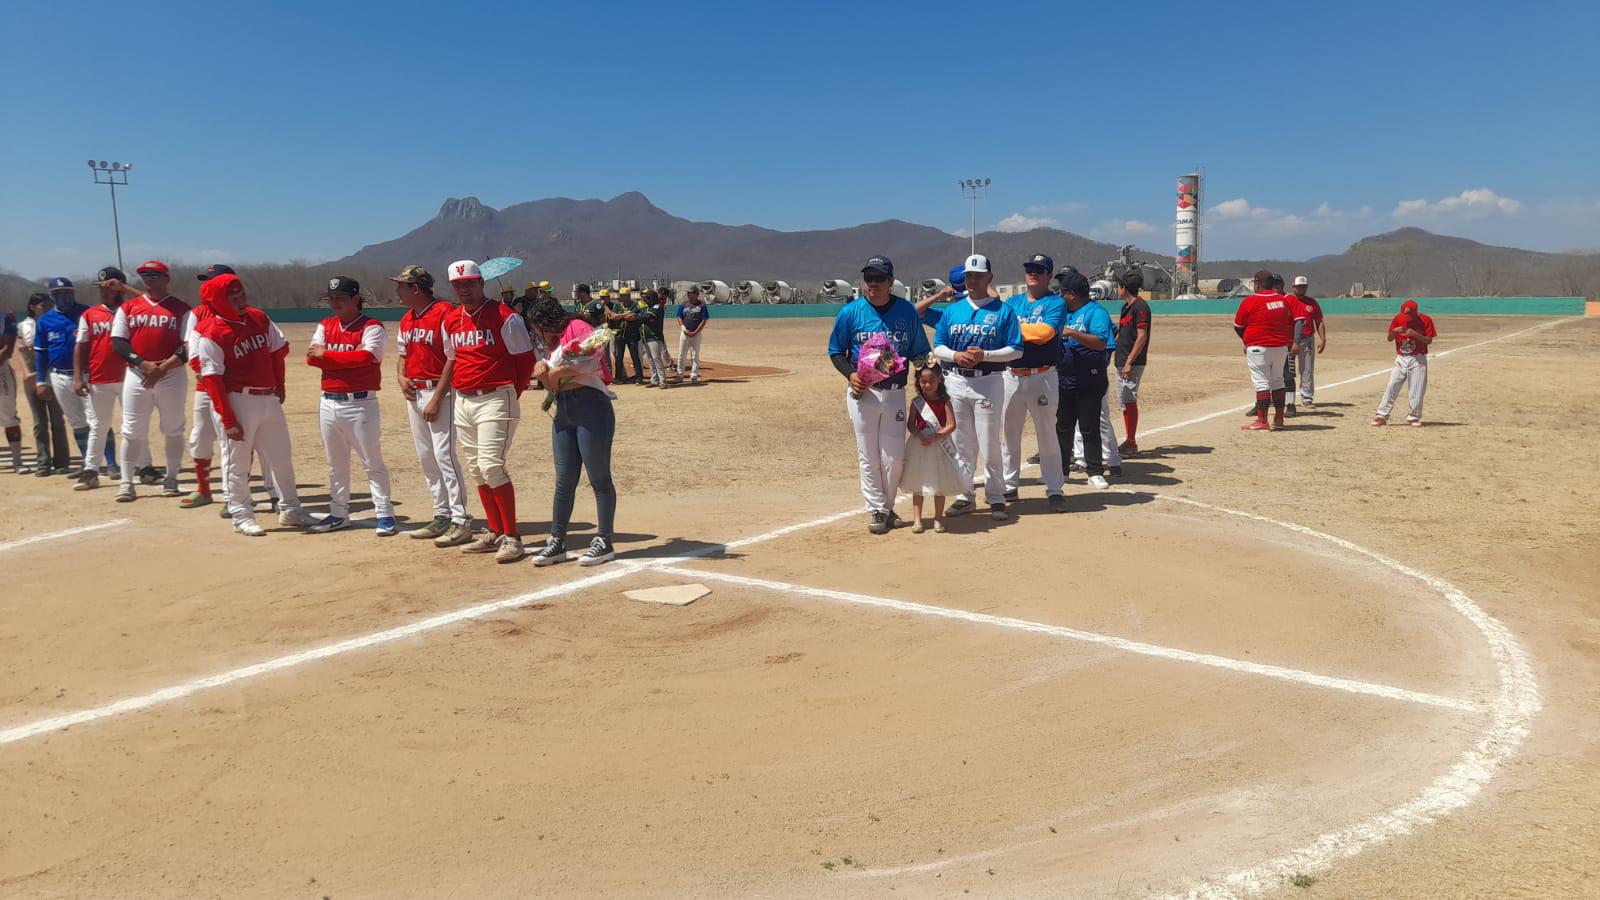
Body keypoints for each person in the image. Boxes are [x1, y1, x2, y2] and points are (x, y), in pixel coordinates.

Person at [191, 273, 312, 536]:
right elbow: (211, 379)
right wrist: (228, 419)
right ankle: (241, 514)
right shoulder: (212, 332)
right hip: (237, 398)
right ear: (219, 301)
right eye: (233, 297)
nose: (240, 300)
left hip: (268, 398)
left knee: (281, 458)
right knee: (238, 463)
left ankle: (290, 508)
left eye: (242, 295)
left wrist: (280, 385)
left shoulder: (258, 317)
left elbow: (276, 353)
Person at [827, 255, 931, 534]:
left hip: (895, 393)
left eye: (879, 279)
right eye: (868, 278)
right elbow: (836, 351)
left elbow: (920, 351)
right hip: (864, 394)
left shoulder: (907, 311)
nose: (873, 284)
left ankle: (886, 506)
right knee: (868, 456)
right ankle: (878, 510)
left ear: (890, 281)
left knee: (893, 458)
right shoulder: (850, 313)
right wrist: (851, 375)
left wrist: (931, 375)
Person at [441, 259, 536, 563]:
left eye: (469, 283)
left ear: (481, 283)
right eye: (458, 285)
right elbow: (452, 358)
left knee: (491, 465)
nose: (464, 289)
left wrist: (512, 393)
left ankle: (513, 537)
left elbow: (525, 361)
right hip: (463, 400)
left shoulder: (505, 317)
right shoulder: (452, 320)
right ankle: (494, 530)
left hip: (496, 396)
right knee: (476, 469)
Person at [527, 296, 619, 566]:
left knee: (599, 477)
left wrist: (560, 368)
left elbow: (592, 357)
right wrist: (544, 371)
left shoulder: (577, 327)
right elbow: (550, 386)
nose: (538, 337)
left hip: (591, 408)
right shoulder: (553, 345)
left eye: (537, 330)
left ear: (544, 324)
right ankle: (557, 540)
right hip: (564, 411)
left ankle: (604, 539)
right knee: (564, 480)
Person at [933, 253, 1024, 521]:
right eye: (968, 276)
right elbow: (939, 346)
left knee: (989, 441)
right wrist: (954, 356)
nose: (972, 280)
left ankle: (995, 496)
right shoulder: (952, 310)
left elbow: (1016, 350)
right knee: (962, 442)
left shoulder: (1003, 310)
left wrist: (986, 355)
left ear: (989, 278)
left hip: (989, 381)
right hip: (956, 380)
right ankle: (965, 495)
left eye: (978, 275)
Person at [306, 276, 396, 536]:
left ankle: (384, 513)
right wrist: (346, 358)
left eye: (340, 298)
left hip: (360, 404)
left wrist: (329, 356)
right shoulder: (326, 324)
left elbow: (368, 357)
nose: (335, 303)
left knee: (372, 462)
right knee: (336, 464)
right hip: (328, 402)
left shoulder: (372, 327)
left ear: (356, 299)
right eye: (332, 298)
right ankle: (338, 513)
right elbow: (312, 359)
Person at [391, 265, 474, 546]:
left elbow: (453, 357)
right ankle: (441, 513)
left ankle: (460, 519)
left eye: (401, 286)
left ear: (415, 287)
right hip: (415, 393)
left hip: (441, 392)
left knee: (444, 456)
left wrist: (438, 397)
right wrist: (401, 376)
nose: (397, 291)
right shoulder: (407, 318)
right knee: (426, 457)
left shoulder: (445, 312)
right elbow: (403, 354)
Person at [105, 260, 192, 501]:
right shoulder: (129, 307)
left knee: (173, 428)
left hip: (171, 374)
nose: (149, 279)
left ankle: (172, 478)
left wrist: (163, 367)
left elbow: (188, 345)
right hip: (137, 373)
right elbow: (119, 342)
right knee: (132, 430)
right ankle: (126, 482)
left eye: (155, 275)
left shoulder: (181, 309)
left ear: (167, 278)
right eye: (145, 275)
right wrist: (143, 364)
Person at [1000, 253, 1068, 513]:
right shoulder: (1012, 302)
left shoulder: (1055, 303)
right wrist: (1020, 331)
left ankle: (1055, 489)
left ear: (1049, 275)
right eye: (1030, 268)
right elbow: (1003, 331)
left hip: (1042, 375)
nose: (1033, 273)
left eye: (1040, 270)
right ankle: (1009, 484)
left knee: (1048, 435)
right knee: (1009, 435)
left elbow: (1045, 334)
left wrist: (1013, 331)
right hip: (1012, 374)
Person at [71, 267, 133, 489]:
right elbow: (80, 347)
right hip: (100, 377)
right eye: (101, 287)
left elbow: (152, 302)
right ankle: (91, 471)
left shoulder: (133, 310)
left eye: (109, 286)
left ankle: (144, 467)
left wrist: (125, 288)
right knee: (98, 425)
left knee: (133, 425)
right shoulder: (90, 314)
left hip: (130, 377)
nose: (104, 291)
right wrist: (78, 377)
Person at [1056, 269, 1115, 490]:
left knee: (1089, 427)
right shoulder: (1064, 312)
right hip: (1064, 378)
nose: (1061, 296)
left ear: (1072, 294)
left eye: (1063, 292)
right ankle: (1061, 471)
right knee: (1062, 428)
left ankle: (1094, 472)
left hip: (1089, 379)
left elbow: (1100, 342)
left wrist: (1073, 333)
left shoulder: (1095, 312)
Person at [34, 276, 91, 473]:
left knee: (96, 420)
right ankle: (88, 463)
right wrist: (41, 380)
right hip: (58, 376)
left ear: (73, 293)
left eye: (67, 292)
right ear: (52, 296)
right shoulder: (45, 320)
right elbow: (40, 354)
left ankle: (109, 463)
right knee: (77, 422)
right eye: (58, 294)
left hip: (87, 374)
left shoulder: (87, 313)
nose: (63, 297)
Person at [900, 363, 964, 533]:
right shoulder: (917, 402)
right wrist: (920, 435)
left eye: (931, 381)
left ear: (940, 381)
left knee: (939, 483)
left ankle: (938, 519)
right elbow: (911, 425)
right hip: (919, 445)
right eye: (923, 381)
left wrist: (936, 436)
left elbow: (951, 424)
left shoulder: (945, 401)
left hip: (939, 446)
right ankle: (917, 520)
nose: (927, 385)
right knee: (918, 482)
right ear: (918, 382)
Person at [1234, 269, 1295, 431]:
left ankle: (1262, 420)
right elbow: (1289, 321)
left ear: (1257, 283)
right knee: (1278, 381)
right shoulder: (1282, 300)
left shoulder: (1250, 301)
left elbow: (1238, 326)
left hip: (1258, 347)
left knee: (1261, 382)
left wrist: (1246, 341)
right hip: (1280, 347)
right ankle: (1279, 418)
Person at [17, 294, 70, 476]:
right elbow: (21, 351)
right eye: (42, 304)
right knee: (39, 421)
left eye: (49, 303)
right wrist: (27, 374)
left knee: (57, 419)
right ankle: (43, 462)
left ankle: (62, 461)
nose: (47, 306)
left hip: (52, 374)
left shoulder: (53, 322)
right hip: (33, 376)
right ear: (32, 307)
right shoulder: (24, 326)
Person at [1373, 299, 1436, 427]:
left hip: (1418, 358)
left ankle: (1414, 416)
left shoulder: (1426, 320)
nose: (1406, 318)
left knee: (1417, 389)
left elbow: (1429, 340)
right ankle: (1381, 415)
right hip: (1401, 358)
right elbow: (1389, 338)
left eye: (1409, 315)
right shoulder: (1398, 319)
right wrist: (1395, 332)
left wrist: (1414, 334)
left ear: (1415, 312)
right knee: (1392, 385)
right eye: (1404, 315)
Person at [1114, 271, 1151, 456]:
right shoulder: (1125, 307)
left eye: (1118, 285)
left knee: (1128, 399)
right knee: (1123, 400)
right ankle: (1129, 441)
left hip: (1132, 362)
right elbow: (1122, 334)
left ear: (1124, 287)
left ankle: (1131, 442)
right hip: (1120, 360)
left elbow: (1142, 337)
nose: (1116, 289)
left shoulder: (1140, 306)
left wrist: (1129, 362)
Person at [1289, 275, 1325, 409]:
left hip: (1307, 339)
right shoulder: (1288, 300)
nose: (1301, 289)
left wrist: (1323, 339)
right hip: (1289, 340)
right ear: (1293, 287)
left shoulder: (1312, 303)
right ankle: (1282, 397)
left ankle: (1307, 396)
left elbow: (1319, 321)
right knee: (1286, 369)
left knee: (1307, 369)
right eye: (1299, 287)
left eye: (1303, 287)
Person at [676, 285, 710, 384]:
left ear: (696, 294)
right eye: (688, 293)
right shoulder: (683, 305)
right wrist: (683, 329)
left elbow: (704, 320)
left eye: (691, 293)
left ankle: (694, 376)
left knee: (695, 355)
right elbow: (679, 317)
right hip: (685, 333)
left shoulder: (702, 305)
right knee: (681, 355)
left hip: (697, 334)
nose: (689, 295)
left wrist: (696, 332)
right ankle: (680, 375)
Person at [0, 306, 20, 472]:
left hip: (1, 370)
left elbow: (8, 349)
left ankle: (17, 462)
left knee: (9, 416)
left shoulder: (6, 315)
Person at [638, 290, 671, 388]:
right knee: (650, 359)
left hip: (654, 337)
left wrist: (636, 318)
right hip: (646, 337)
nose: (645, 300)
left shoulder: (657, 307)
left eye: (647, 298)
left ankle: (663, 381)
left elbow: (647, 318)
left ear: (652, 298)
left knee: (656, 359)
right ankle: (654, 380)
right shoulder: (647, 307)